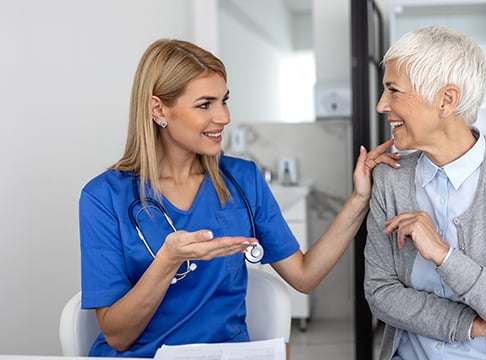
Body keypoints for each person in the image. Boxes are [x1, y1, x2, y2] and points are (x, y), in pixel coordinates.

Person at [78, 38, 400, 358]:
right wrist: (168, 261)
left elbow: (305, 276)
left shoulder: (242, 179)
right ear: (159, 109)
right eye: (205, 105)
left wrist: (359, 198)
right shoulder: (104, 196)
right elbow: (118, 337)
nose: (224, 117)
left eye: (224, 100)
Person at [363, 26, 486, 359]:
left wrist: (444, 254)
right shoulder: (390, 178)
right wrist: (478, 319)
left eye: (394, 91)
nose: (382, 105)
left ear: (446, 100)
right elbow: (381, 292)